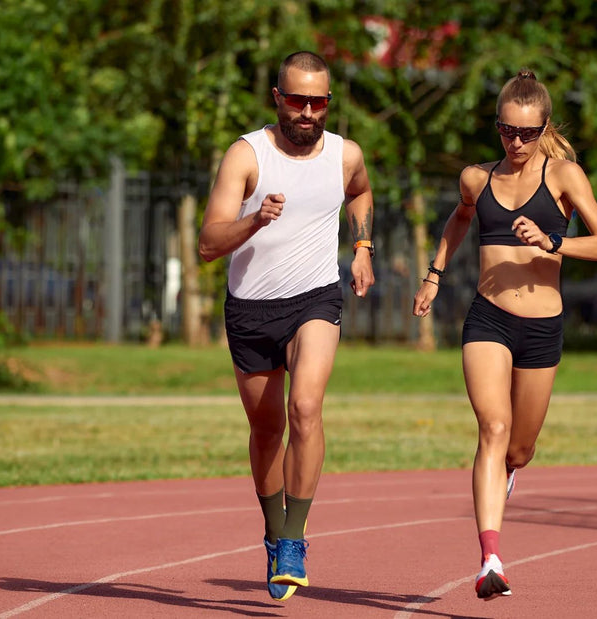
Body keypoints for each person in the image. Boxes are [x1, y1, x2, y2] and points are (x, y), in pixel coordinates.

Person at [412, 69, 597, 601]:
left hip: (543, 327)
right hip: (488, 320)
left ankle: (507, 475)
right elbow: (459, 220)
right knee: (494, 427)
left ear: (543, 126)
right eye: (507, 132)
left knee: (519, 450)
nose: (517, 142)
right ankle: (490, 560)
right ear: (497, 126)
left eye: (528, 133)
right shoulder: (476, 179)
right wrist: (435, 274)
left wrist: (554, 242)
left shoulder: (565, 176)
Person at [199, 50, 375, 601]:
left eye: (318, 101)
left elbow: (361, 192)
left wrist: (363, 245)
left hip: (315, 300)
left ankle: (295, 537)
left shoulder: (345, 155)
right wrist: (255, 218)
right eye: (297, 100)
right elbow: (207, 244)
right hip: (250, 308)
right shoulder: (246, 156)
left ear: (328, 102)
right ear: (277, 98)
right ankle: (274, 532)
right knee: (267, 429)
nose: (307, 111)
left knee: (305, 408)